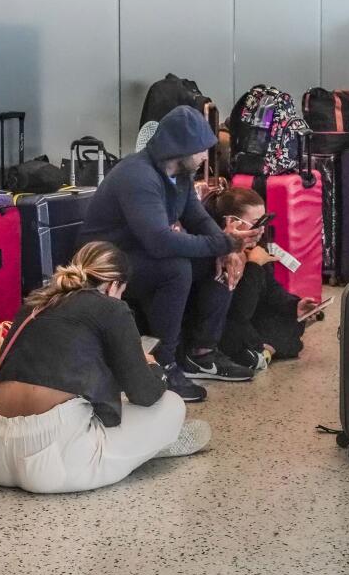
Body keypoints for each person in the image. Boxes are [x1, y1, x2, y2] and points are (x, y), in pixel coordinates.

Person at [0, 242, 210, 494]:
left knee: (90, 406)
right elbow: (146, 394)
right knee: (171, 405)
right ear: (113, 286)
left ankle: (138, 447)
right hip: (54, 465)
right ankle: (149, 448)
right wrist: (151, 366)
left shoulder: (34, 304)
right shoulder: (112, 308)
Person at [77, 105, 260, 402]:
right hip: (104, 262)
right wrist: (223, 244)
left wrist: (228, 248)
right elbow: (159, 242)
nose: (205, 157)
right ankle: (165, 362)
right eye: (201, 150)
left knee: (218, 262)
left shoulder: (180, 176)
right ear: (180, 148)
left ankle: (203, 352)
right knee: (175, 267)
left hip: (138, 253)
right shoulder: (137, 176)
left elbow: (197, 218)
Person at [203, 188, 321, 365]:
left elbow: (271, 289)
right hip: (228, 322)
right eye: (255, 223)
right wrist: (254, 266)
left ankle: (262, 350)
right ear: (231, 223)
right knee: (242, 331)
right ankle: (260, 350)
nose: (261, 230)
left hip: (249, 317)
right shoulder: (219, 256)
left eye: (265, 221)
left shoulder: (256, 247)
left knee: (292, 321)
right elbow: (239, 312)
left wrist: (294, 305)